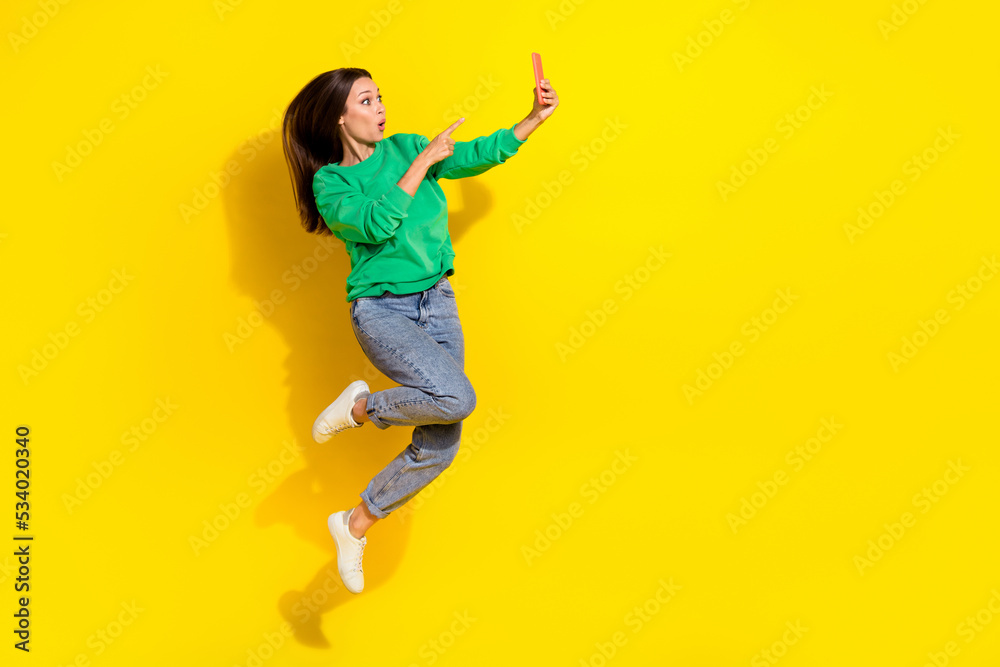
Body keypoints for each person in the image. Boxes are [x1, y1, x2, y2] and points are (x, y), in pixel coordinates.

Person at [281, 66, 559, 593]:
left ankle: (355, 523)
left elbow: (478, 154)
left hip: (438, 301)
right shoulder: (332, 182)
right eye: (368, 100)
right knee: (456, 397)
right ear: (339, 117)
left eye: (381, 96)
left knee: (442, 440)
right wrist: (423, 162)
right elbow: (376, 224)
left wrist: (533, 118)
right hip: (383, 311)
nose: (382, 107)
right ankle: (362, 408)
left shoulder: (407, 145)